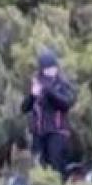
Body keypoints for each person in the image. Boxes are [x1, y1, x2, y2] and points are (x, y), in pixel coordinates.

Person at [21, 48, 78, 178]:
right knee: (39, 167)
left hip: (57, 131)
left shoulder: (62, 84)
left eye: (53, 68)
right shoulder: (36, 83)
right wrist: (32, 95)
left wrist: (49, 91)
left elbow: (66, 103)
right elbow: (24, 108)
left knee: (56, 165)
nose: (51, 71)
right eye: (47, 68)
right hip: (39, 133)